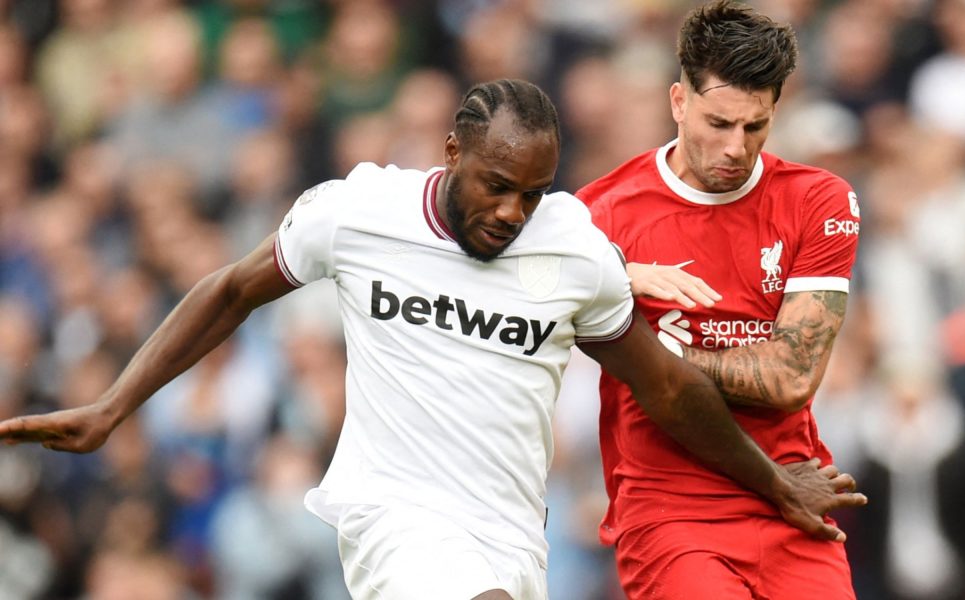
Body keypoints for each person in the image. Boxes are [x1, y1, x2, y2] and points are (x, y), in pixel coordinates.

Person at [0, 79, 857, 600]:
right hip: (396, 517)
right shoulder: (359, 214)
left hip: (512, 533)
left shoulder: (571, 250)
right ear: (452, 151)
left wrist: (774, 481)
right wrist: (113, 406)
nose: (512, 212)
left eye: (533, 192)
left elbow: (665, 387)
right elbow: (229, 291)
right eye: (496, 185)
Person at [576, 2, 866, 598]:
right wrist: (616, 274)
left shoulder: (818, 201)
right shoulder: (598, 218)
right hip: (669, 510)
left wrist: (655, 360)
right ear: (678, 102)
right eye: (718, 122)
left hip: (793, 495)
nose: (736, 147)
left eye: (754, 127)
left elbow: (790, 377)